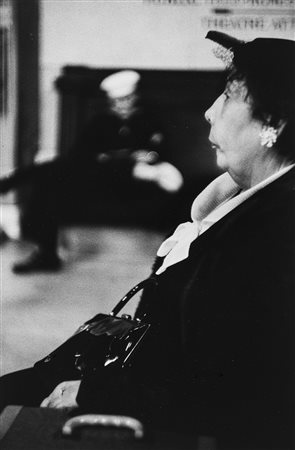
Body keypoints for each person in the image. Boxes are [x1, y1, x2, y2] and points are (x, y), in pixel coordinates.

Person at [0, 31, 294, 449]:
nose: (209, 113)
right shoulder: (243, 197)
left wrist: (93, 393)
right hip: (128, 360)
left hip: (140, 396)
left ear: (274, 122)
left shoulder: (275, 235)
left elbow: (239, 397)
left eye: (227, 97)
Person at [0, 70, 183, 273]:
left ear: (135, 98)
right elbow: (79, 154)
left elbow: (161, 153)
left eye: (126, 100)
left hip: (129, 181)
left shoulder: (149, 121)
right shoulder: (101, 122)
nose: (121, 106)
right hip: (97, 177)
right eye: (116, 101)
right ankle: (47, 254)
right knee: (50, 178)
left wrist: (133, 157)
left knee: (54, 172)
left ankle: (9, 184)